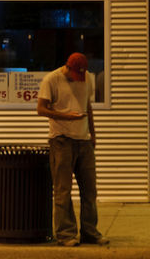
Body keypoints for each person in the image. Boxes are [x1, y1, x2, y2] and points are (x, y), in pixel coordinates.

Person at [37, 53, 108, 247]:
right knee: (63, 190)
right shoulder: (51, 79)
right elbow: (41, 109)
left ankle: (90, 232)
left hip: (83, 141)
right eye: (74, 75)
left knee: (90, 190)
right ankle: (66, 234)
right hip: (61, 140)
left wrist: (93, 134)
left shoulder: (87, 79)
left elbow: (88, 106)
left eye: (81, 75)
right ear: (67, 67)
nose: (77, 79)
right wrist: (64, 116)